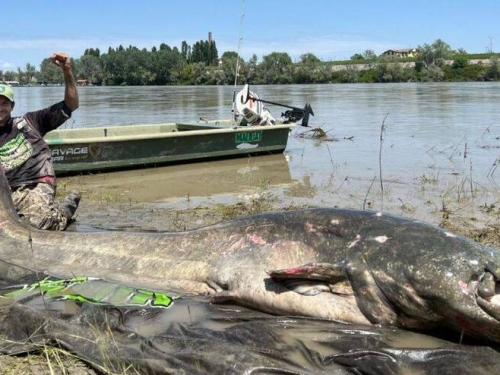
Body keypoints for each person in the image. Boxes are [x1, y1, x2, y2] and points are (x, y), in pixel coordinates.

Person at [0, 52, 80, 231]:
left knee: (36, 224)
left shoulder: (30, 122)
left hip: (37, 183)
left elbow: (71, 105)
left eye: (4, 103)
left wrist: (67, 71)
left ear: (12, 107)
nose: (0, 108)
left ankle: (64, 211)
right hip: (8, 192)